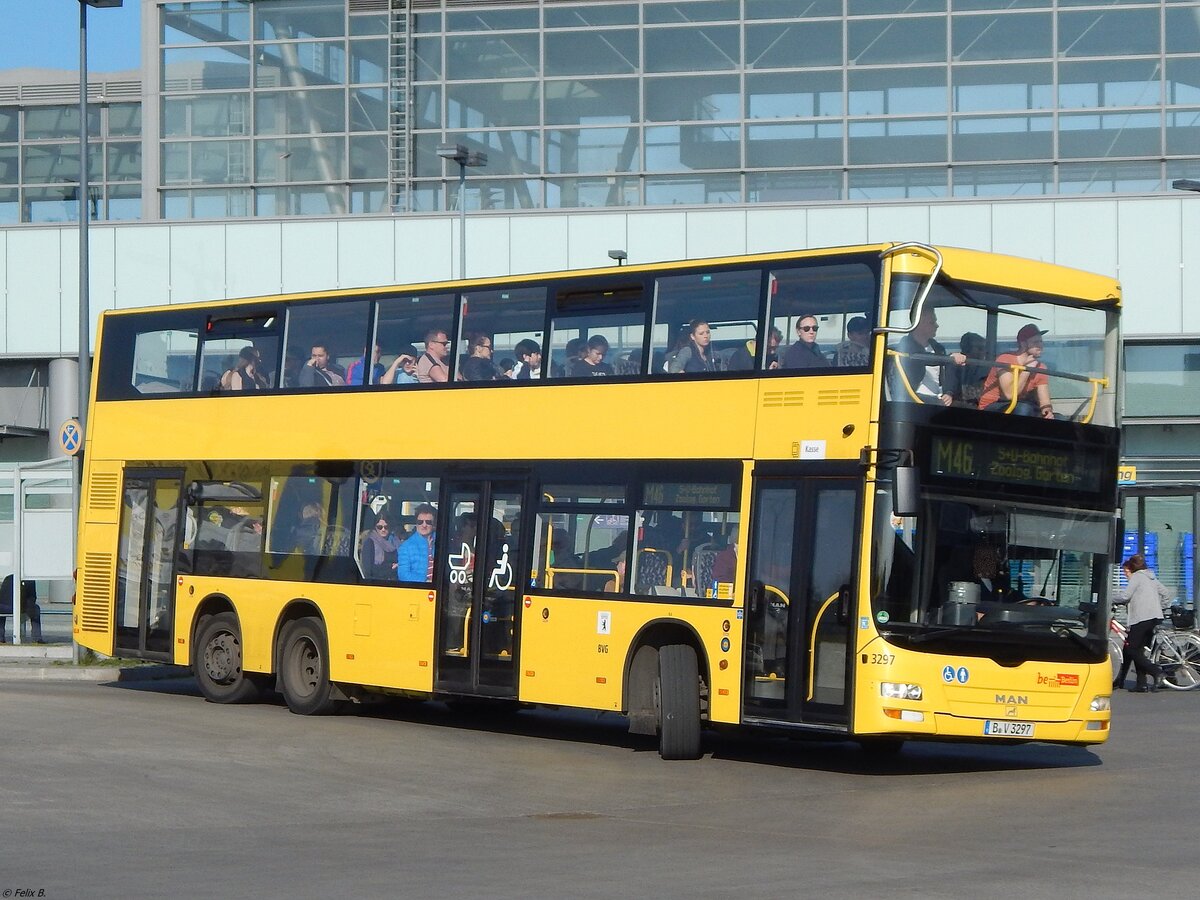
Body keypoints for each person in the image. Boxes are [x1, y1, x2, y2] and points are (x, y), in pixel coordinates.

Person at [1112, 553, 1172, 692]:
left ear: (1131, 568)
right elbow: (1166, 593)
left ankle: (1157, 672)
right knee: (1138, 650)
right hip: (1154, 617)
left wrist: (1108, 598)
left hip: (1141, 618)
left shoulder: (1137, 576)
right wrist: (1159, 607)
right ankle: (1141, 684)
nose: (1125, 574)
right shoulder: (1150, 577)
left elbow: (1126, 596)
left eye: (1126, 571)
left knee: (1131, 649)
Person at [891, 306, 965, 405]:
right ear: (918, 324)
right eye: (932, 322)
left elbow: (948, 369)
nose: (937, 326)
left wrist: (948, 393)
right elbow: (922, 358)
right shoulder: (905, 347)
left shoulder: (938, 348)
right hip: (912, 400)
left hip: (937, 398)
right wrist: (950, 358)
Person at [978, 324, 1054, 418]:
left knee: (1060, 419)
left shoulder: (1041, 367)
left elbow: (1044, 400)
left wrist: (1047, 411)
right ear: (1023, 344)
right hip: (993, 405)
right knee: (1024, 409)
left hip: (1021, 405)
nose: (1040, 345)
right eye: (1035, 342)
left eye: (1041, 342)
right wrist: (1027, 369)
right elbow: (1009, 394)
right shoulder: (1005, 359)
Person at [397, 504, 437, 583]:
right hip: (420, 588)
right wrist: (426, 581)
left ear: (434, 524)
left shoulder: (441, 542)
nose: (424, 525)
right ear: (416, 523)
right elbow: (403, 574)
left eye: (428, 522)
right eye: (420, 522)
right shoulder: (406, 547)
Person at [0, 574, 41, 644]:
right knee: (36, 609)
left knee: (1, 612)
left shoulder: (9, 578)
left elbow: (2, 595)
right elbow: (32, 597)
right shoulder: (30, 579)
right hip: (22, 607)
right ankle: (37, 638)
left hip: (5, 606)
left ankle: (0, 637)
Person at [360, 515, 400, 581]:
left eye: (386, 527)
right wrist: (391, 567)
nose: (383, 529)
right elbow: (369, 570)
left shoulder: (395, 541)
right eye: (379, 527)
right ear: (375, 527)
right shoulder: (369, 543)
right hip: (376, 582)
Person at [956, 331, 989, 406]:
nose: (984, 351)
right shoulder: (954, 367)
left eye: (984, 348)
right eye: (980, 348)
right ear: (967, 348)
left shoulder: (986, 369)